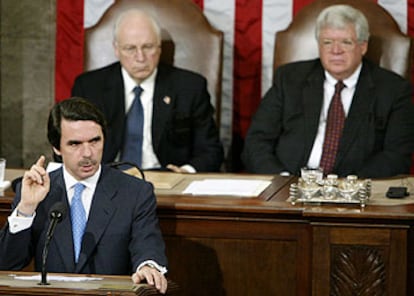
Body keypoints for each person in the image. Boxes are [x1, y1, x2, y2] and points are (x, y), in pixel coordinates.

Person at [0, 98, 168, 294]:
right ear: (56, 147)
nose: (88, 153)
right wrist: (26, 209)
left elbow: (147, 243)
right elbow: (6, 264)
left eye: (95, 141)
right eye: (75, 144)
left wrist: (148, 266)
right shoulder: (36, 191)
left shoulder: (135, 192)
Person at [242, 4, 414, 178]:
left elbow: (396, 156)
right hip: (289, 189)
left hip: (355, 192)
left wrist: (348, 186)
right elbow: (257, 141)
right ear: (319, 45)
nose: (335, 50)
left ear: (363, 46)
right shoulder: (289, 79)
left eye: (346, 42)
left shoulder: (393, 90)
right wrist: (282, 180)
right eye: (327, 42)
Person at [72, 9, 224, 173]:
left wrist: (186, 172)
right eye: (130, 48)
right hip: (108, 180)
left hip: (167, 180)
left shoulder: (190, 87)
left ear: (159, 48)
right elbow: (70, 144)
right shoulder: (89, 87)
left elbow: (211, 150)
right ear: (116, 49)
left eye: (148, 47)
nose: (140, 57)